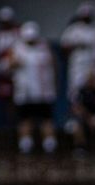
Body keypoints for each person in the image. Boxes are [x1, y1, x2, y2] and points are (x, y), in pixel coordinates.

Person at [9, 22, 58, 155]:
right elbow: (9, 64)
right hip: (25, 92)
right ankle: (25, 144)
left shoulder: (44, 48)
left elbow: (53, 66)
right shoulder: (17, 47)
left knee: (46, 119)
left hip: (43, 91)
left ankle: (49, 145)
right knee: (25, 119)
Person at [61, 3, 95, 103]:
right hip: (78, 66)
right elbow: (64, 48)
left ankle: (94, 117)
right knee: (75, 92)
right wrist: (77, 46)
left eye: (88, 16)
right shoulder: (73, 30)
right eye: (84, 16)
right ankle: (74, 117)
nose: (87, 18)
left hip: (94, 65)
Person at [0, 7, 21, 128]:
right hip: (3, 72)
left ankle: (16, 123)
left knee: (17, 98)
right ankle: (9, 124)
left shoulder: (18, 33)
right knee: (5, 99)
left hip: (17, 72)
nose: (4, 24)